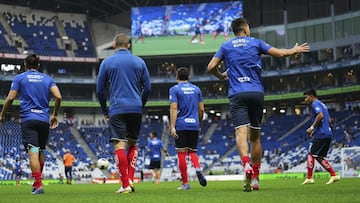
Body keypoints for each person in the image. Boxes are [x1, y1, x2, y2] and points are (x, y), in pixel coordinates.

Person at [207, 18, 310, 192]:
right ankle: (255, 178)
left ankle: (246, 165)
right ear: (246, 29)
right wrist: (294, 50)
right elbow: (279, 54)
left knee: (240, 132)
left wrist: (221, 76)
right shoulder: (256, 42)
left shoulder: (226, 46)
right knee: (255, 137)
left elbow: (211, 67)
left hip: (237, 93)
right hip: (256, 93)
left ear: (234, 31)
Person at [96, 33, 151, 194]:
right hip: (135, 107)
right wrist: (140, 104)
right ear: (128, 45)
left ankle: (125, 184)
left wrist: (105, 110)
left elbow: (100, 90)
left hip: (117, 108)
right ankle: (131, 180)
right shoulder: (140, 62)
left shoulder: (107, 62)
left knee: (119, 145)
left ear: (113, 46)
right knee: (132, 143)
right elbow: (147, 88)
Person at [0, 53, 62, 195]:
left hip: (29, 119)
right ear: (38, 65)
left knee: (32, 152)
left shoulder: (20, 78)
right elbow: (58, 96)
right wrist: (55, 115)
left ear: (25, 65)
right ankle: (36, 183)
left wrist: (2, 114)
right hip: (43, 120)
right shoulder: (47, 79)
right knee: (40, 151)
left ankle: (39, 185)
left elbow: (10, 97)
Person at [169, 67, 207, 190]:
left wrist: (173, 126)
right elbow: (201, 109)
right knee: (192, 151)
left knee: (181, 153)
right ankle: (197, 168)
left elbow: (174, 108)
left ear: (177, 77)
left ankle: (185, 183)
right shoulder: (196, 89)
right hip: (194, 125)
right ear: (188, 77)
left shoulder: (174, 89)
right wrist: (199, 124)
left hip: (181, 124)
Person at [301, 88, 340, 185]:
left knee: (311, 154)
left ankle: (309, 178)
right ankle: (334, 175)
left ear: (311, 96)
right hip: (327, 133)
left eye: (306, 98)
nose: (305, 100)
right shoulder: (322, 104)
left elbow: (320, 115)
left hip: (321, 134)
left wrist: (312, 128)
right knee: (319, 157)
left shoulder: (315, 104)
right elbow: (328, 119)